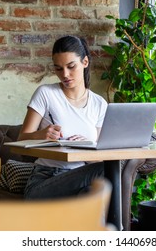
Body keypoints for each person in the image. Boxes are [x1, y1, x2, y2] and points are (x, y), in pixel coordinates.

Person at [19, 35, 108, 199]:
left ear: (85, 62)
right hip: (45, 179)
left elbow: (100, 157)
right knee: (108, 172)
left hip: (81, 177)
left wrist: (85, 148)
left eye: (71, 66)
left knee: (93, 189)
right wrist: (41, 135)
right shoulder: (45, 93)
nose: (65, 74)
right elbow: (21, 139)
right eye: (58, 68)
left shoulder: (99, 103)